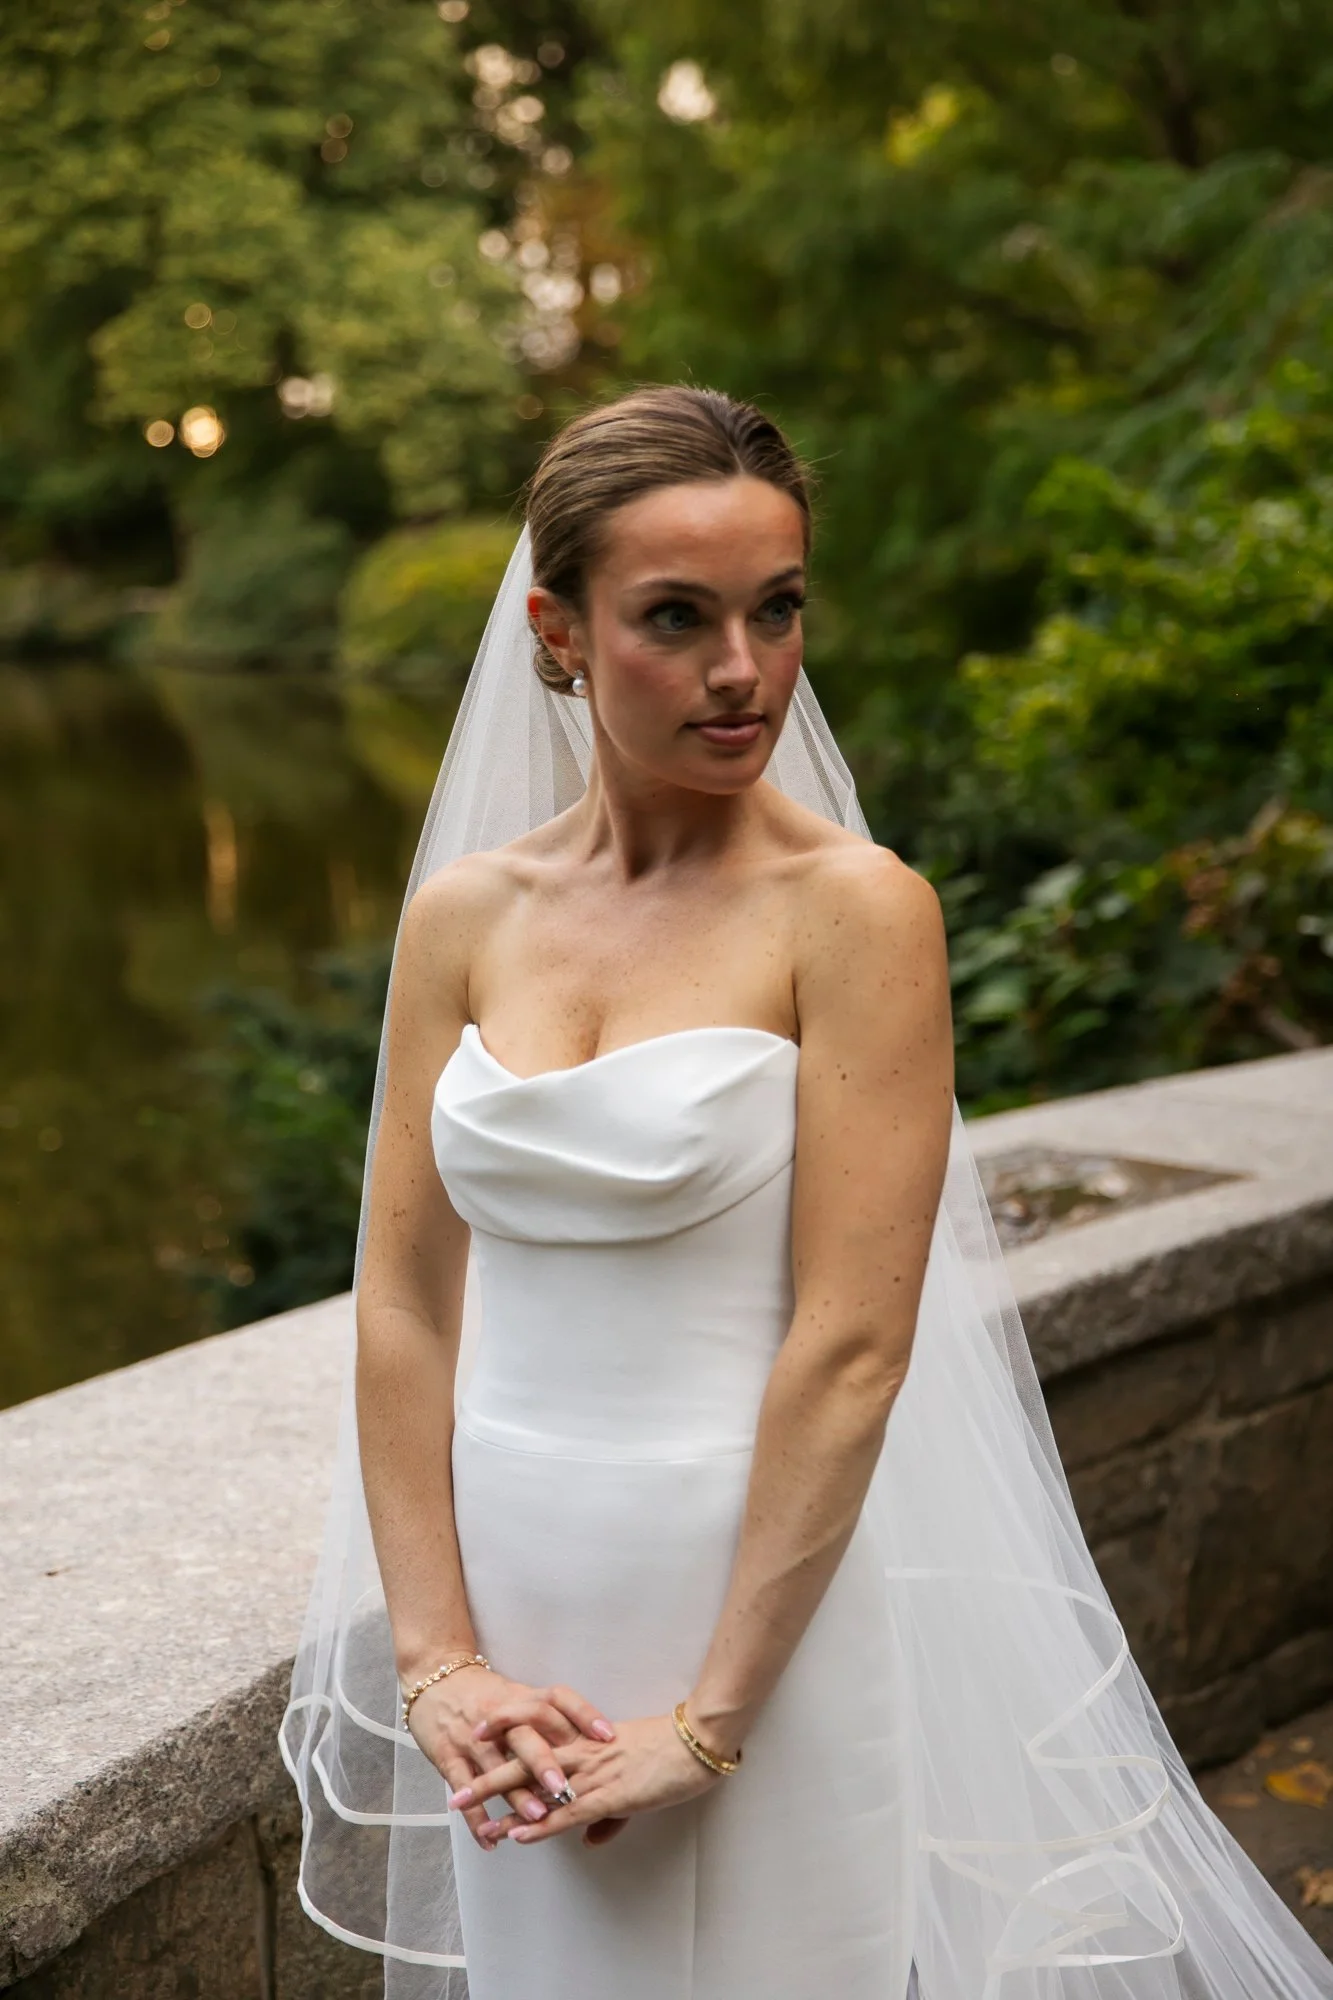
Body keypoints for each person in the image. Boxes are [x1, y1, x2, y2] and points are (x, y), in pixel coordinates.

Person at [282, 387, 1333, 2000]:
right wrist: (438, 1663)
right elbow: (407, 1301)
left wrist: (714, 1722)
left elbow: (855, 1345)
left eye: (777, 611)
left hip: (752, 1586)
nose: (741, 671)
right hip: (512, 1576)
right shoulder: (464, 917)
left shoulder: (854, 914)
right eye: (677, 619)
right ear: (558, 631)